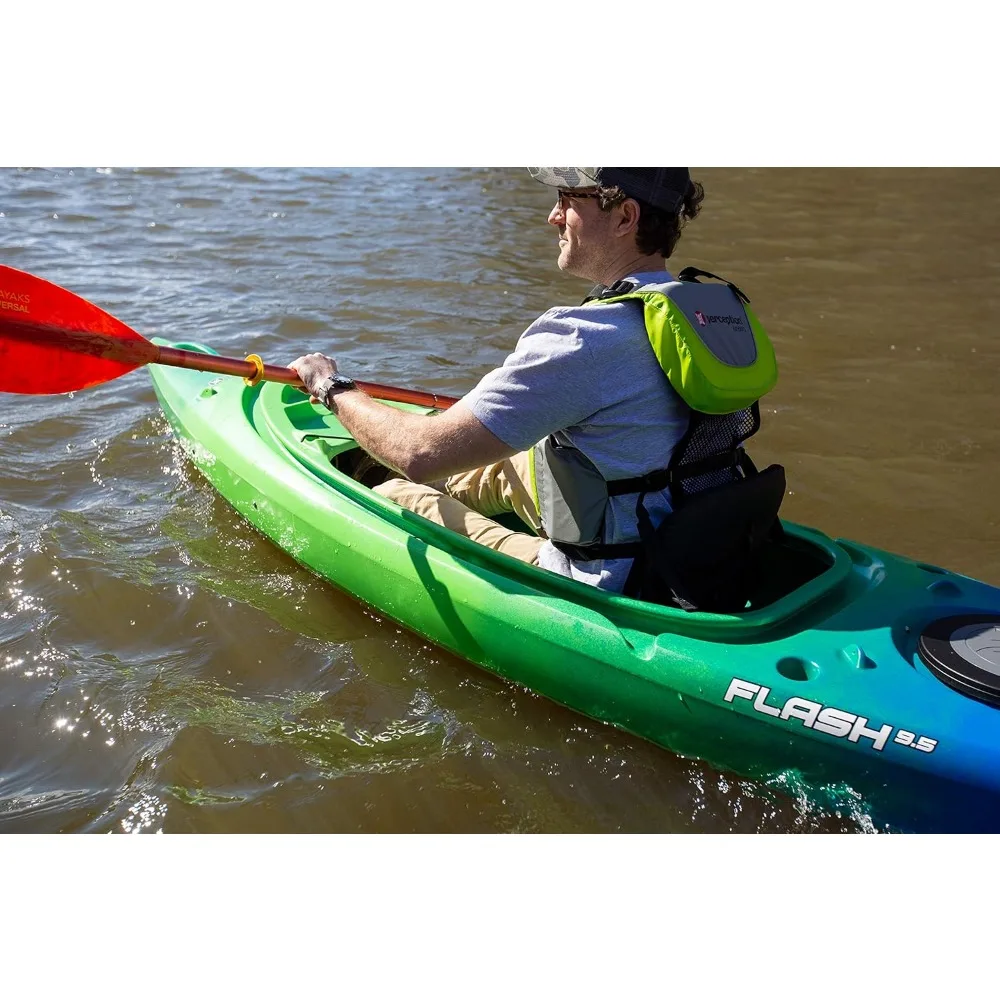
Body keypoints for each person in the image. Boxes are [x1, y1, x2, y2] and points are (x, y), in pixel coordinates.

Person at [290, 168, 781, 607]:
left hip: (608, 581)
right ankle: (440, 476)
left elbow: (419, 453)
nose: (553, 216)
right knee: (512, 460)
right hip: (692, 540)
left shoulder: (584, 336)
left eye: (569, 200)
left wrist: (332, 386)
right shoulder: (709, 314)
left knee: (397, 489)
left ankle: (392, 483)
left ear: (625, 216)